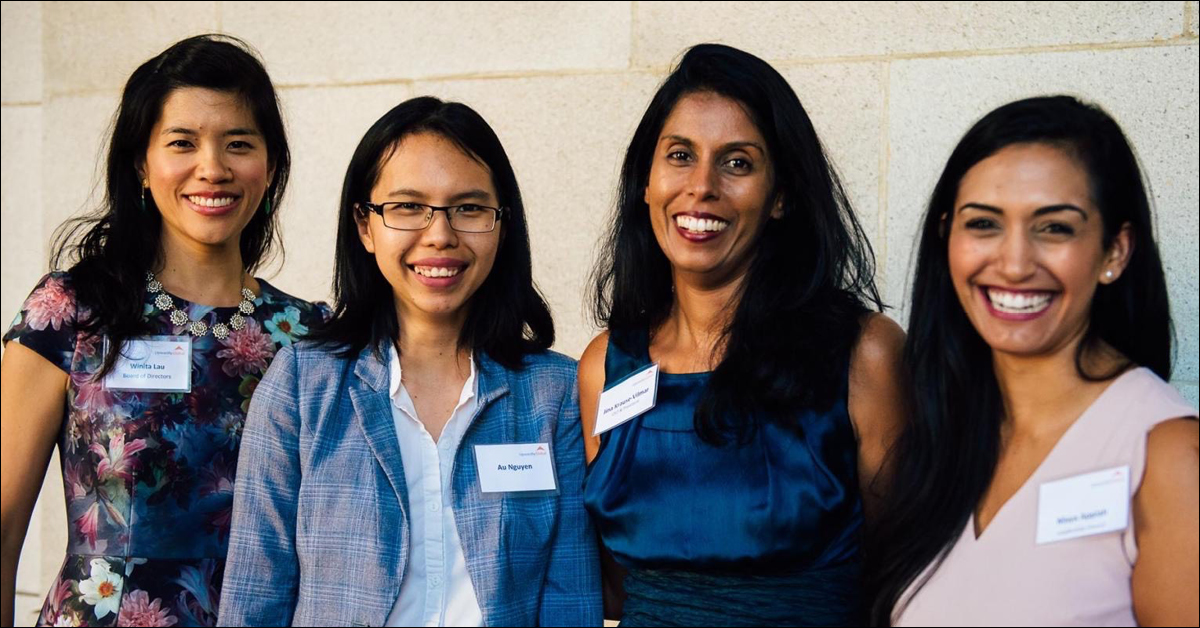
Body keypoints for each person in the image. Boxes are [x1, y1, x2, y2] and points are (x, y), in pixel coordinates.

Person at [217, 96, 602, 626]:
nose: (439, 234)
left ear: (502, 226)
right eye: (407, 207)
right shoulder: (303, 384)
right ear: (365, 225)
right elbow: (254, 596)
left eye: (469, 208)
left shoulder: (555, 393)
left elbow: (571, 604)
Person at [1, 34, 326, 627]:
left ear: (270, 164)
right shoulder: (71, 311)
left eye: (238, 144)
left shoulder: (309, 336)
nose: (213, 168)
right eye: (183, 143)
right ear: (140, 166)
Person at [580, 43, 907, 626]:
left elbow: (903, 576)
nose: (701, 186)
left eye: (737, 163)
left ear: (781, 195)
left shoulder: (865, 354)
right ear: (647, 182)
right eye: (680, 155)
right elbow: (610, 584)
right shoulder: (605, 364)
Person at [870, 95, 1199, 626]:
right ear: (946, 236)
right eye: (983, 224)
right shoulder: (942, 436)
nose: (1015, 264)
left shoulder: (1167, 456)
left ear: (1115, 251)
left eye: (1054, 228)